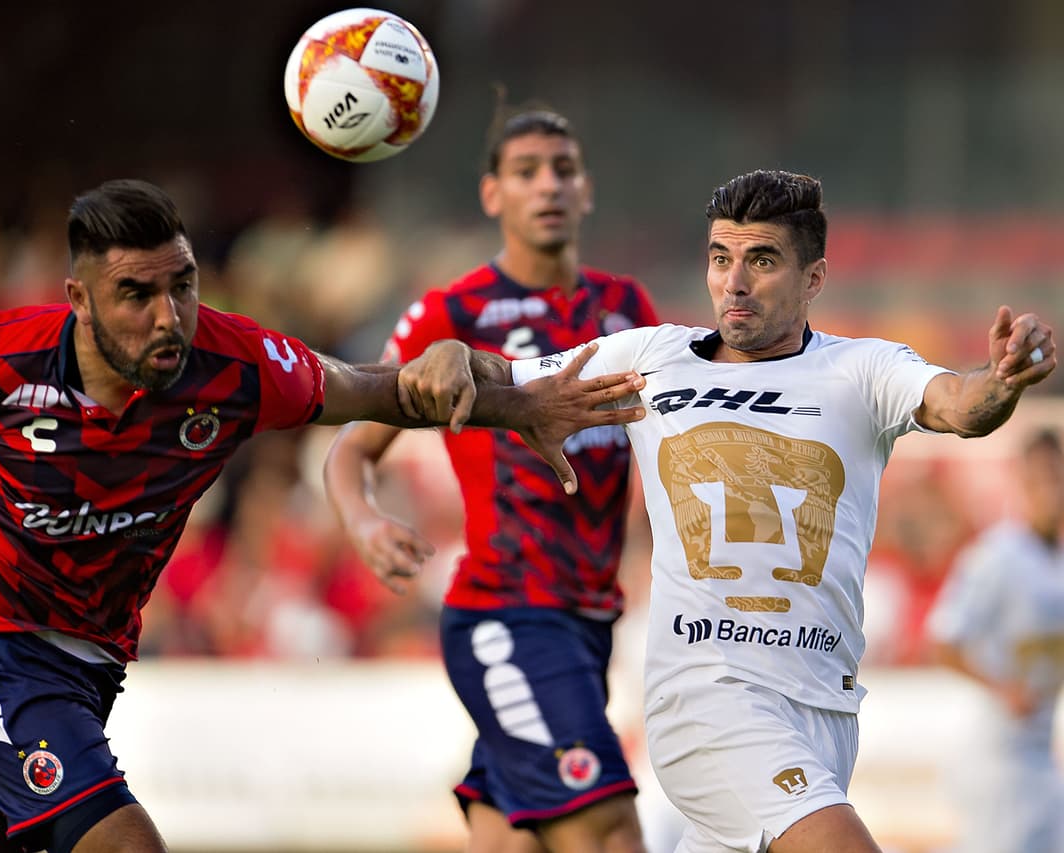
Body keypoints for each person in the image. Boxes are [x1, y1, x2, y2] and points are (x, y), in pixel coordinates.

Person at [0, 179, 645, 853]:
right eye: (135, 294)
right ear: (78, 298)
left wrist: (486, 381)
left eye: (183, 285)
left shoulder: (235, 364)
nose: (169, 316)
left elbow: (383, 390)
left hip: (90, 666)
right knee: (121, 844)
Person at [437, 168, 1057, 852]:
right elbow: (503, 377)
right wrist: (447, 356)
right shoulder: (651, 356)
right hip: (709, 695)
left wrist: (1000, 381)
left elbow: (960, 406)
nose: (734, 281)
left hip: (823, 707)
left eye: (761, 260)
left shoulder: (864, 370)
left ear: (814, 278)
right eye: (720, 258)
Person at [324, 106, 655, 853]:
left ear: (588, 190)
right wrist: (364, 520)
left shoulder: (626, 307)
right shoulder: (453, 315)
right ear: (492, 194)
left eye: (563, 170)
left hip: (591, 622)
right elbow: (350, 449)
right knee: (606, 830)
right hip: (510, 614)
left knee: (513, 841)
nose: (549, 186)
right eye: (527, 171)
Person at [926, 428, 1064, 853]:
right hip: (996, 756)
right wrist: (1002, 688)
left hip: (1042, 751)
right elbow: (943, 640)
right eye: (1043, 479)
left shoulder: (1055, 561)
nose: (1053, 491)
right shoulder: (996, 557)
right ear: (1023, 482)